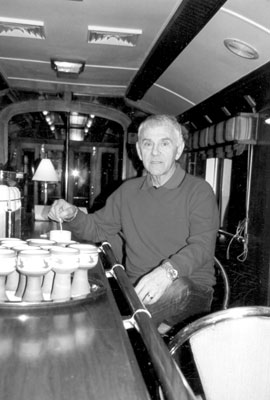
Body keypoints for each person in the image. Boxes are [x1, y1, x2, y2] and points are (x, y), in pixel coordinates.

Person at [48, 115, 219, 333]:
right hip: (138, 289)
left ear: (178, 150)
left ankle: (115, 333)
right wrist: (72, 214)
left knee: (177, 289)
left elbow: (203, 246)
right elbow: (96, 227)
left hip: (190, 290)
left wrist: (167, 272)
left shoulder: (199, 191)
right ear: (139, 151)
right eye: (148, 144)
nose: (155, 152)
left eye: (164, 143)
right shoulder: (128, 192)